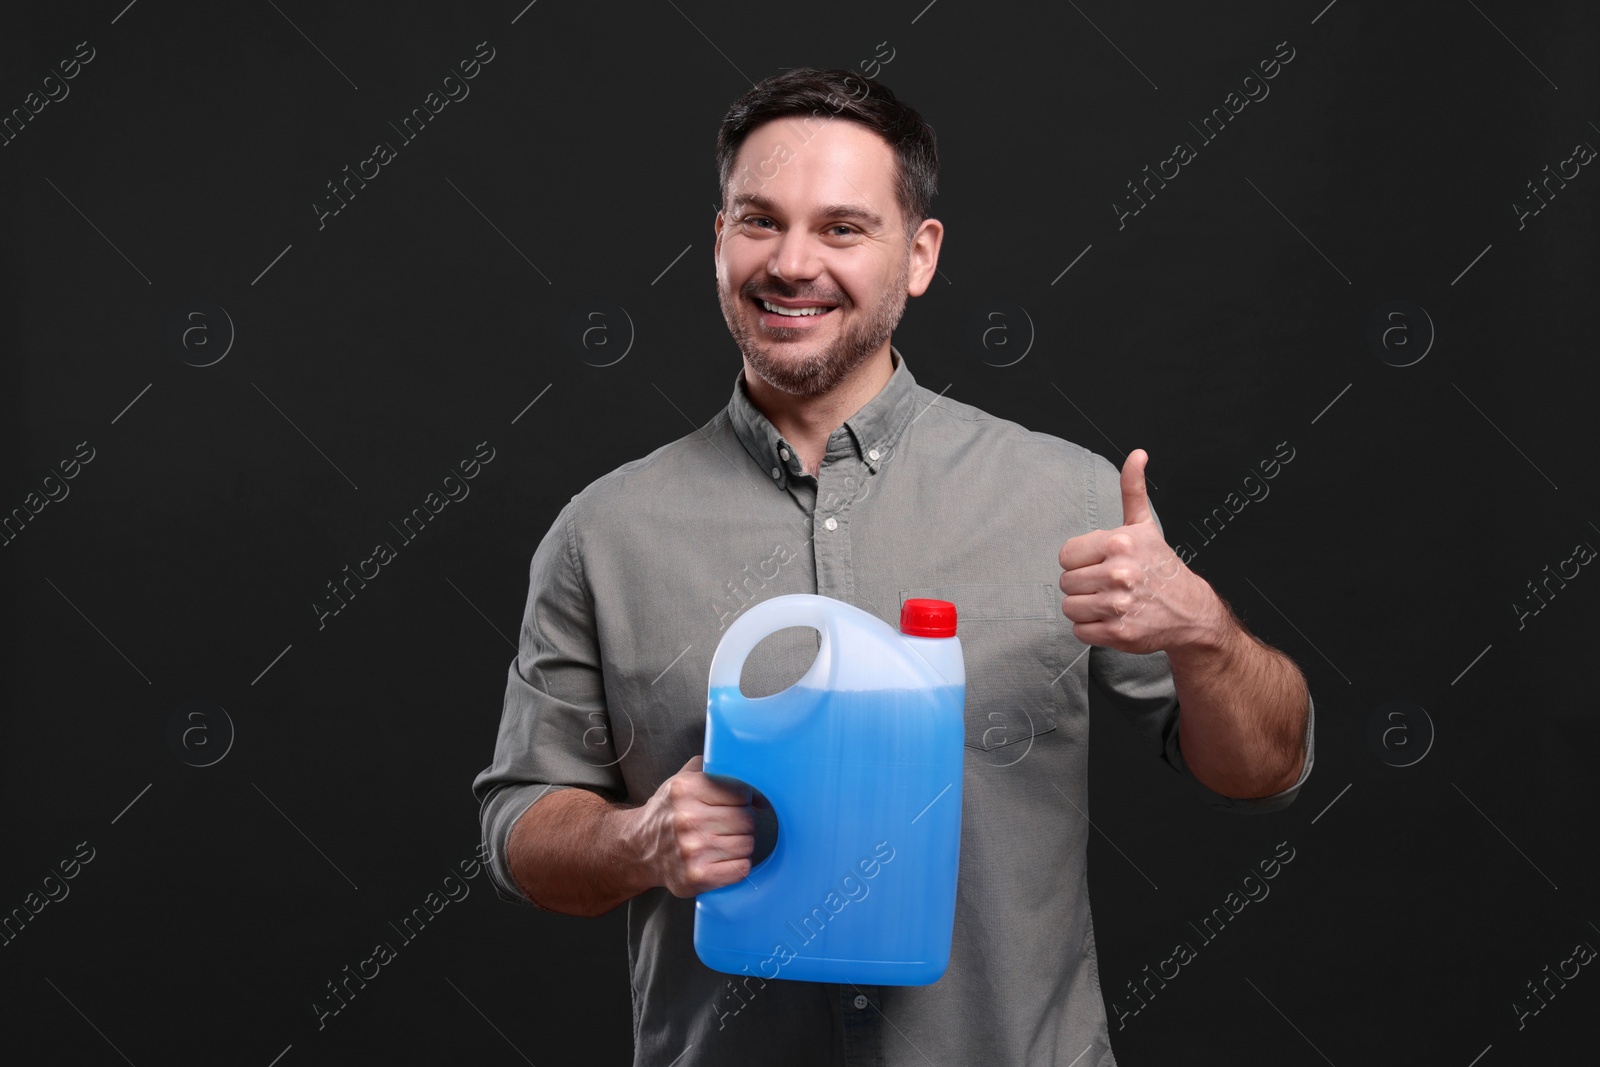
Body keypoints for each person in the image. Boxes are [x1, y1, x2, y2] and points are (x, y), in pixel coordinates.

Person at [472, 66, 1313, 1067]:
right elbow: (520, 825)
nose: (791, 264)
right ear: (716, 242)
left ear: (917, 256)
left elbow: (1265, 771)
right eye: (758, 221)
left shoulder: (1067, 499)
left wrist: (1204, 631)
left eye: (840, 228)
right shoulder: (602, 532)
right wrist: (640, 839)